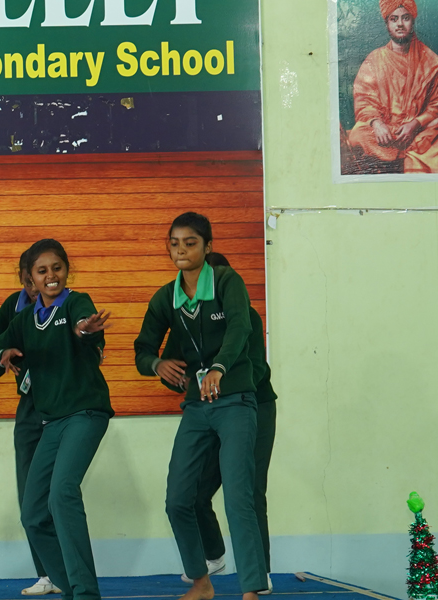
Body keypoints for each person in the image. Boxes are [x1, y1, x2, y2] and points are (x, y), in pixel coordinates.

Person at [132, 213, 267, 600]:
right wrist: (157, 364)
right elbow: (142, 350)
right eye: (174, 243)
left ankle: (251, 590)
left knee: (237, 497)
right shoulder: (166, 297)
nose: (181, 250)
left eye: (190, 243)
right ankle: (201, 582)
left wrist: (220, 368)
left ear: (207, 247)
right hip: (196, 406)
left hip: (236, 401)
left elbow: (240, 326)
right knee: (178, 500)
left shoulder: (226, 281)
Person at [0, 239, 115, 600]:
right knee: (33, 514)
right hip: (52, 423)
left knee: (62, 494)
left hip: (86, 414)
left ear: (67, 270)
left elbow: (84, 325)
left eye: (57, 268)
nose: (51, 275)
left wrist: (86, 329)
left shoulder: (75, 302)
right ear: (31, 278)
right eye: (43, 271)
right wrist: (1, 356)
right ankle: (69, 587)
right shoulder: (24, 320)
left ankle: (85, 593)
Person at [160, 252, 277, 594]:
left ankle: (260, 572)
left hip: (251, 404)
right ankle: (213, 557)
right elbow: (172, 361)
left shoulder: (245, 316)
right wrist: (174, 375)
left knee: (247, 490)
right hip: (207, 407)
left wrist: (221, 376)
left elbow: (254, 370)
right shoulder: (185, 314)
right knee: (193, 492)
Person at [0, 248, 61, 597]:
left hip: (63, 407)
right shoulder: (15, 307)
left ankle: (68, 571)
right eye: (29, 281)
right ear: (24, 278)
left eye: (42, 277)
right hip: (29, 407)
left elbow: (87, 341)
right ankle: (46, 574)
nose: (35, 288)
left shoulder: (68, 305)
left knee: (59, 494)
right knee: (30, 496)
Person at [343, 0, 438, 174]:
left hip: (419, 131)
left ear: (413, 21)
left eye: (405, 18)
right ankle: (413, 155)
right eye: (394, 19)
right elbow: (364, 100)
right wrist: (377, 123)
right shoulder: (374, 60)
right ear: (387, 23)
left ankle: (403, 157)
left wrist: (414, 124)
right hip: (386, 134)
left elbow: (435, 106)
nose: (400, 24)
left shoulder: (432, 62)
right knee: (358, 135)